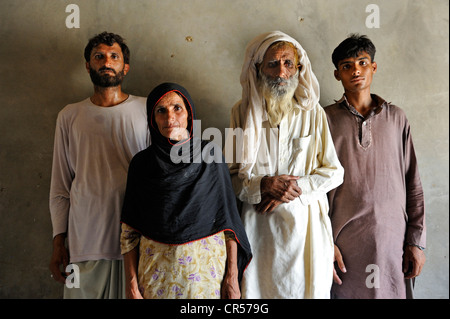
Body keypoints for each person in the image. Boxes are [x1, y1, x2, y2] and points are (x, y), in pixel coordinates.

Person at [225, 31, 344, 298]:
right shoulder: (240, 113)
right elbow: (231, 178)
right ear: (258, 69)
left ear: (298, 68)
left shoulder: (313, 113)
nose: (281, 72)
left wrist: (293, 188)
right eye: (273, 63)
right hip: (258, 232)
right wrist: (264, 185)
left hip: (306, 233)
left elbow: (334, 172)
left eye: (288, 63)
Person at [120, 82, 252, 299]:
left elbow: (228, 221)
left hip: (206, 278)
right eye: (161, 110)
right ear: (152, 119)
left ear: (189, 113)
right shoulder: (141, 165)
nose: (169, 117)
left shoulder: (210, 155)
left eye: (177, 108)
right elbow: (129, 232)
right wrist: (132, 286)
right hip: (155, 278)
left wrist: (232, 277)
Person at [48, 32, 150, 298]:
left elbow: (160, 178)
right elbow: (61, 187)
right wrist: (59, 240)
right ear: (88, 65)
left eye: (114, 56)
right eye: (99, 57)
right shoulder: (70, 115)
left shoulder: (149, 110)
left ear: (125, 67)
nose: (106, 62)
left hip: (136, 242)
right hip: (84, 242)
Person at [325, 34, 426, 299]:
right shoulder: (323, 120)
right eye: (346, 66)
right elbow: (313, 191)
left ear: (374, 67)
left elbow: (413, 185)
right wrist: (323, 243)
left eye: (362, 62)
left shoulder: (397, 118)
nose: (355, 70)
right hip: (342, 247)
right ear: (337, 74)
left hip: (393, 244)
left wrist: (416, 243)